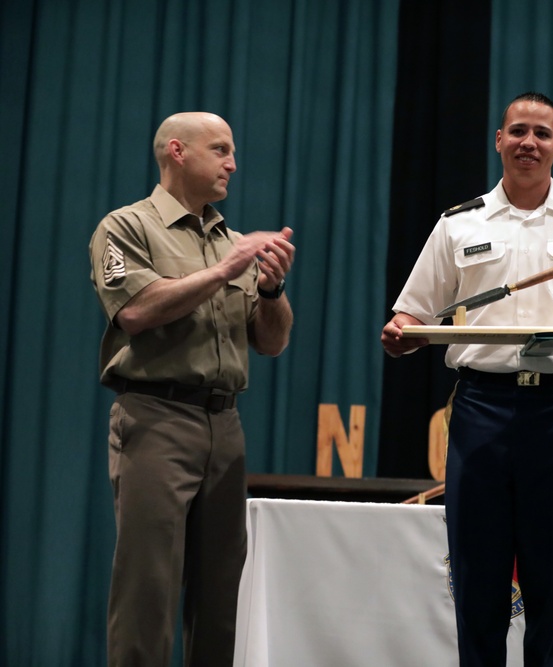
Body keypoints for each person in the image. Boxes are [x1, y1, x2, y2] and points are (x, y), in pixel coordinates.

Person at [381, 92, 553, 667]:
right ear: (498, 140)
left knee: (551, 592)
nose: (528, 143)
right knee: (477, 587)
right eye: (518, 131)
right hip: (480, 409)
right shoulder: (459, 224)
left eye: (541, 134)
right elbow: (411, 313)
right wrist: (401, 332)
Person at [88, 111, 295, 666]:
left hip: (224, 426)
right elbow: (135, 310)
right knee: (148, 589)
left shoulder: (231, 241)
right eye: (221, 150)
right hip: (157, 418)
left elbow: (271, 343)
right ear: (177, 152)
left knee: (220, 588)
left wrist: (273, 289)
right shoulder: (128, 227)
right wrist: (226, 271)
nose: (233, 163)